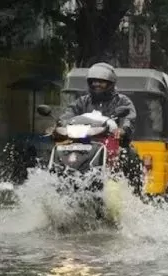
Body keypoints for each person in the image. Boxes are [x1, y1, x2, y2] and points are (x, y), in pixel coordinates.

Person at [58, 62, 142, 195]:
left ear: (110, 83)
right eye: (93, 81)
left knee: (130, 155)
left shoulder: (122, 101)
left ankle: (135, 195)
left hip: (113, 144)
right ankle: (55, 184)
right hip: (83, 143)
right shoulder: (83, 101)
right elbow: (69, 113)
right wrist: (61, 124)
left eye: (101, 81)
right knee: (61, 153)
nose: (96, 84)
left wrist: (123, 129)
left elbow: (130, 117)